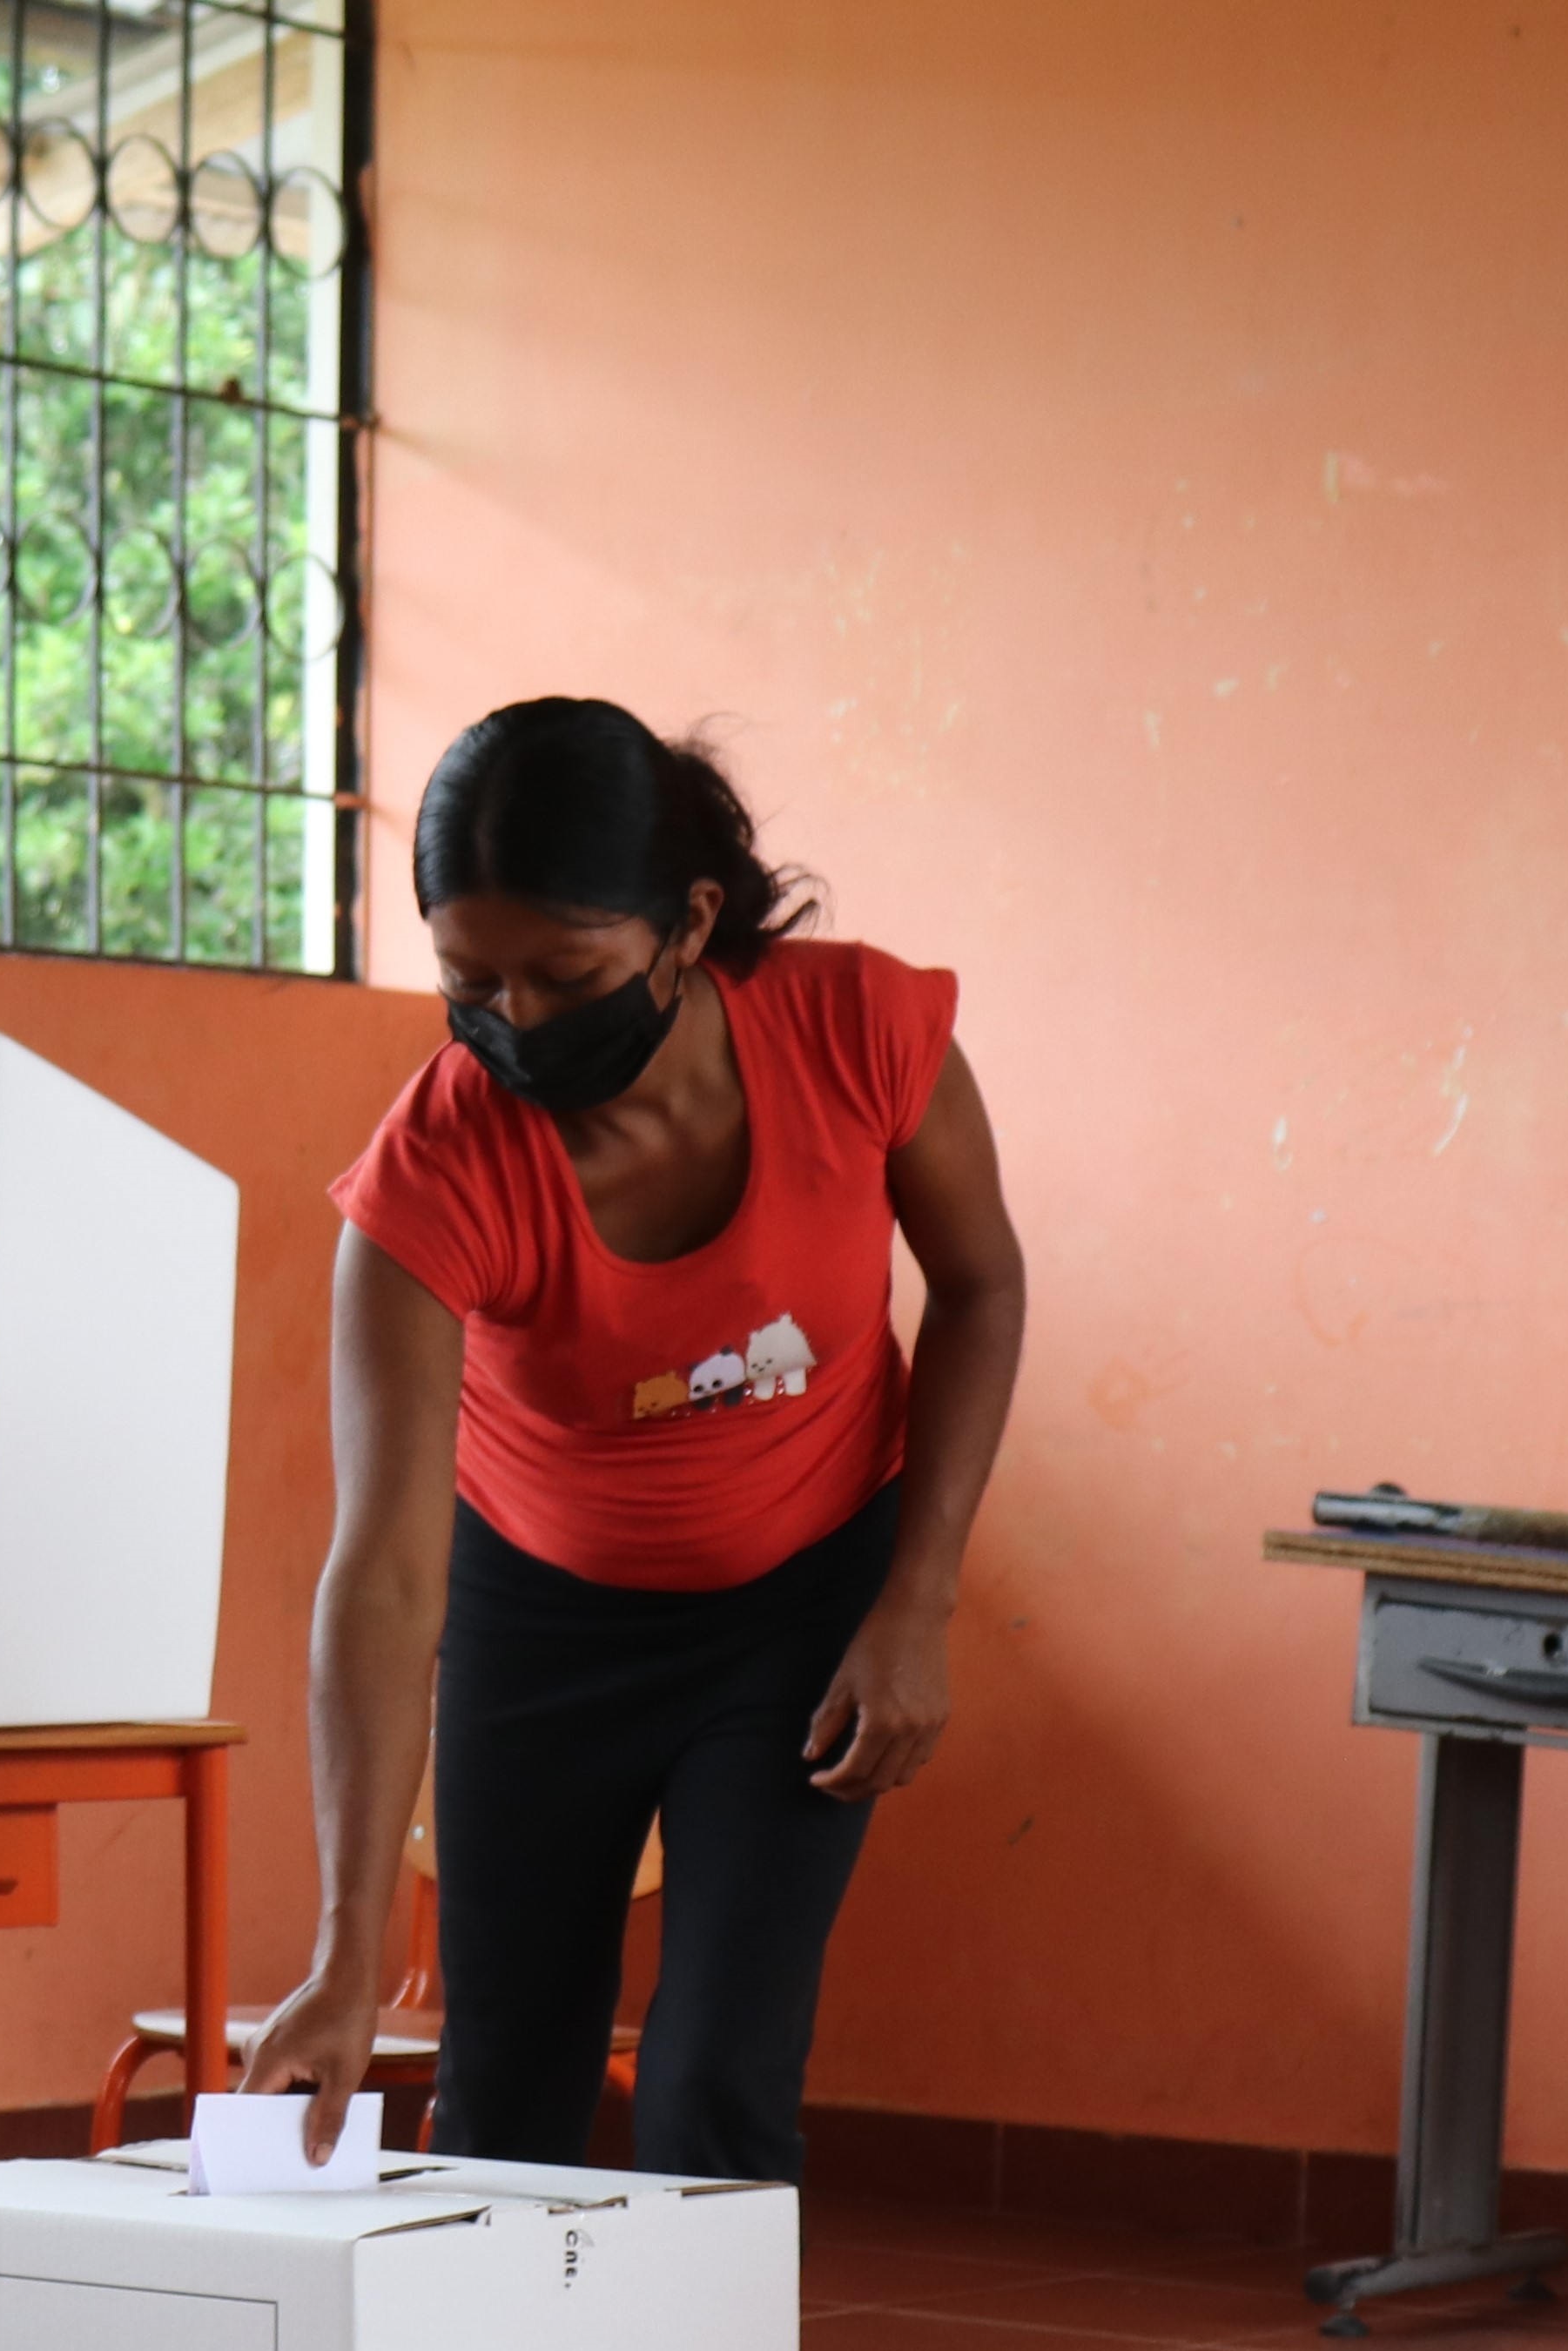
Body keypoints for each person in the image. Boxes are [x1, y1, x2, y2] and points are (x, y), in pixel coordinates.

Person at [239, 699, 1026, 2179]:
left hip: (804, 1608)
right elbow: (389, 1577)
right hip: (541, 1623)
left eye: (566, 975)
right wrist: (348, 1951)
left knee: (714, 2086)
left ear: (689, 924)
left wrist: (917, 1603)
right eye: (471, 983)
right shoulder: (436, 1171)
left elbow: (981, 1286)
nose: (518, 1022)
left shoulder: (854, 1031)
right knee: (508, 2097)